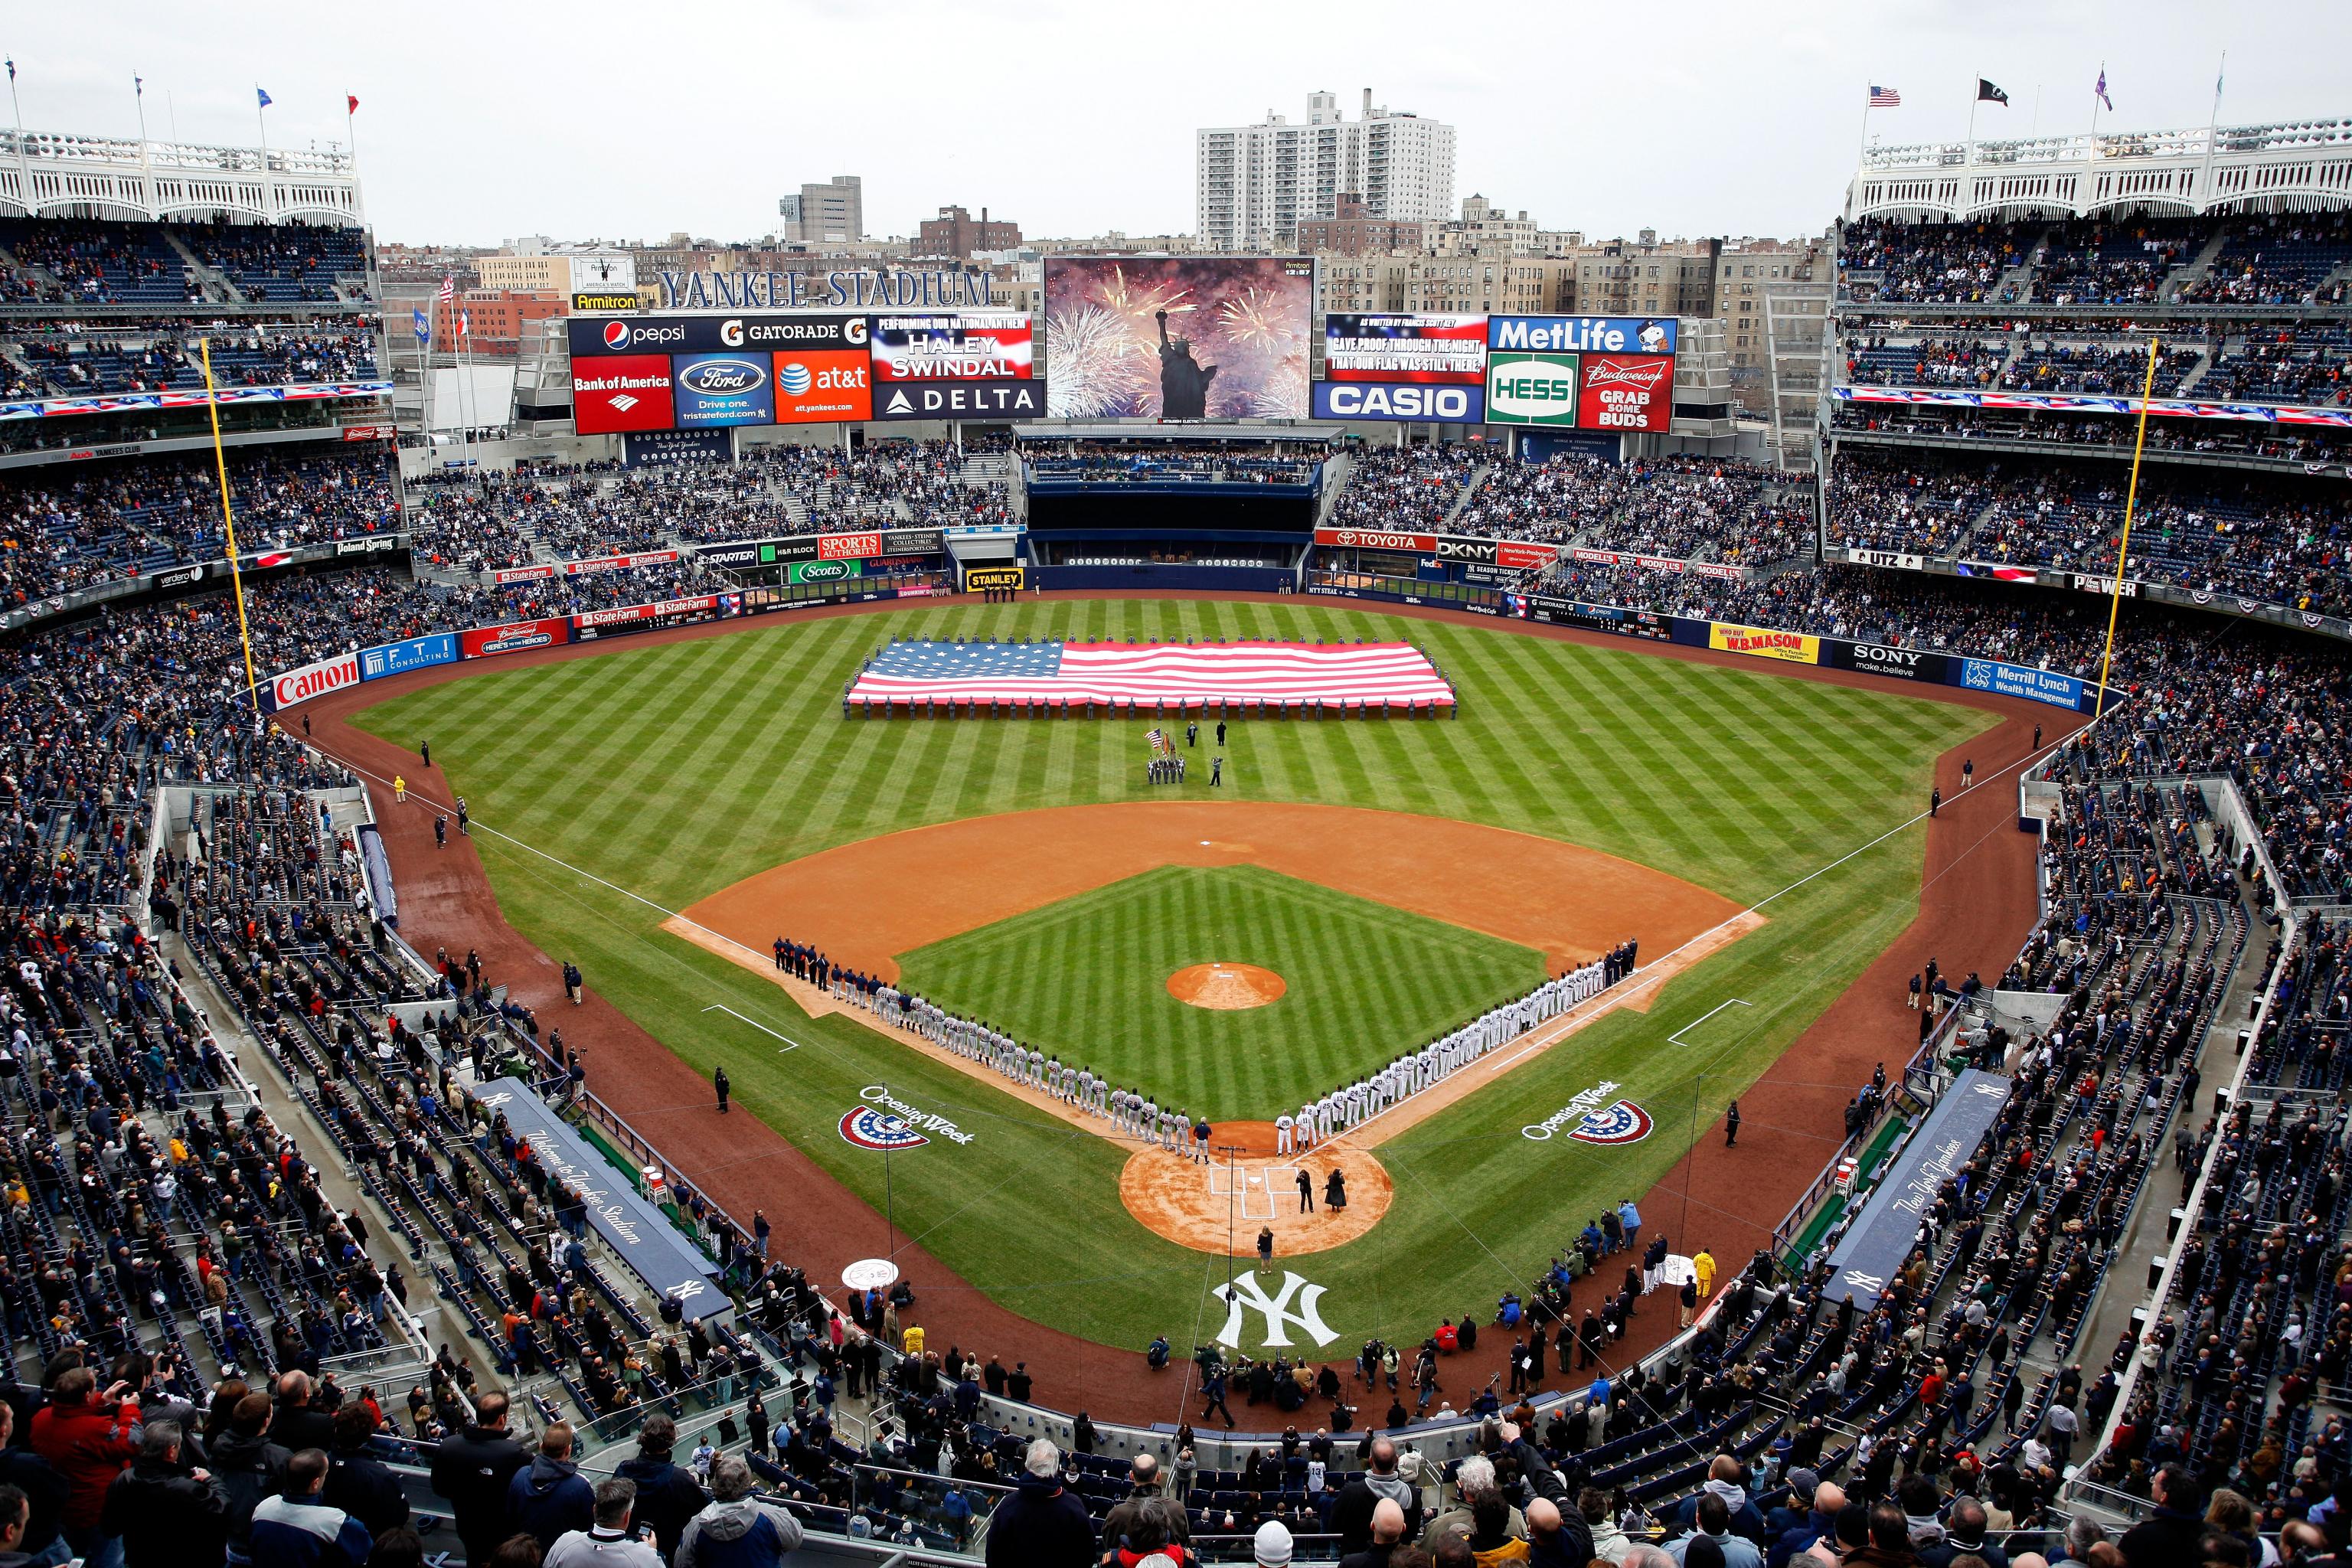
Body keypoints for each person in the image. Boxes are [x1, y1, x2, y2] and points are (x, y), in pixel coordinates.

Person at [31, 1366, 142, 1568]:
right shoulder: (94, 1429)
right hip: (98, 1510)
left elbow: (73, 1417)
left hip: (67, 1507)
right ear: (85, 1395)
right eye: (94, 1390)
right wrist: (129, 1409)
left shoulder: (40, 1419)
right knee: (110, 1560)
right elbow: (132, 1441)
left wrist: (100, 1401)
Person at [98, 1422, 228, 1568]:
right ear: (172, 1451)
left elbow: (110, 1527)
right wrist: (212, 1480)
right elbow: (221, 1509)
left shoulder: (124, 1479)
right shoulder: (187, 1488)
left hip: (140, 1558)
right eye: (179, 1446)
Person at [429, 1390, 529, 1567]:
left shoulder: (449, 1446)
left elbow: (439, 1488)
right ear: (502, 1419)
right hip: (503, 1533)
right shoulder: (514, 1454)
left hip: (467, 1527)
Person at [249, 1449, 377, 1568]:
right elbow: (364, 1551)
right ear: (315, 1483)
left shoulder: (264, 1507)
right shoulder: (334, 1522)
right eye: (325, 1474)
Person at [613, 1416, 708, 1564]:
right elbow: (704, 1513)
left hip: (626, 1553)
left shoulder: (623, 1470)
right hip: (670, 1553)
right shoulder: (681, 1479)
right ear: (670, 1441)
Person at [982, 1440, 1091, 1568]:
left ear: (1027, 1467)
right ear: (1056, 1469)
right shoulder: (1074, 1507)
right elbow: (1087, 1556)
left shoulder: (1008, 1506)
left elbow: (993, 1556)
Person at [322, 1406, 406, 1544]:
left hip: (331, 1541)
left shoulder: (321, 1464)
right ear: (369, 1434)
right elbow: (400, 1515)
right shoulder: (381, 1476)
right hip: (372, 1543)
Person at [508, 1425, 594, 1554]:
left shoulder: (520, 1475)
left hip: (526, 1555)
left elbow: (511, 1517)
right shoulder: (580, 1486)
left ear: (542, 1446)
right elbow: (588, 1529)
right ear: (568, 1450)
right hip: (562, 1557)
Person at [545, 1479, 663, 1568]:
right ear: (627, 1516)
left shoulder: (565, 1542)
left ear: (594, 1510)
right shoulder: (644, 1557)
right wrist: (652, 1552)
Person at [2117, 1467, 2205, 1568]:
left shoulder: (2138, 1537)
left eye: (2154, 1482)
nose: (2152, 1484)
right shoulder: (2208, 1535)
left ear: (2164, 1496)